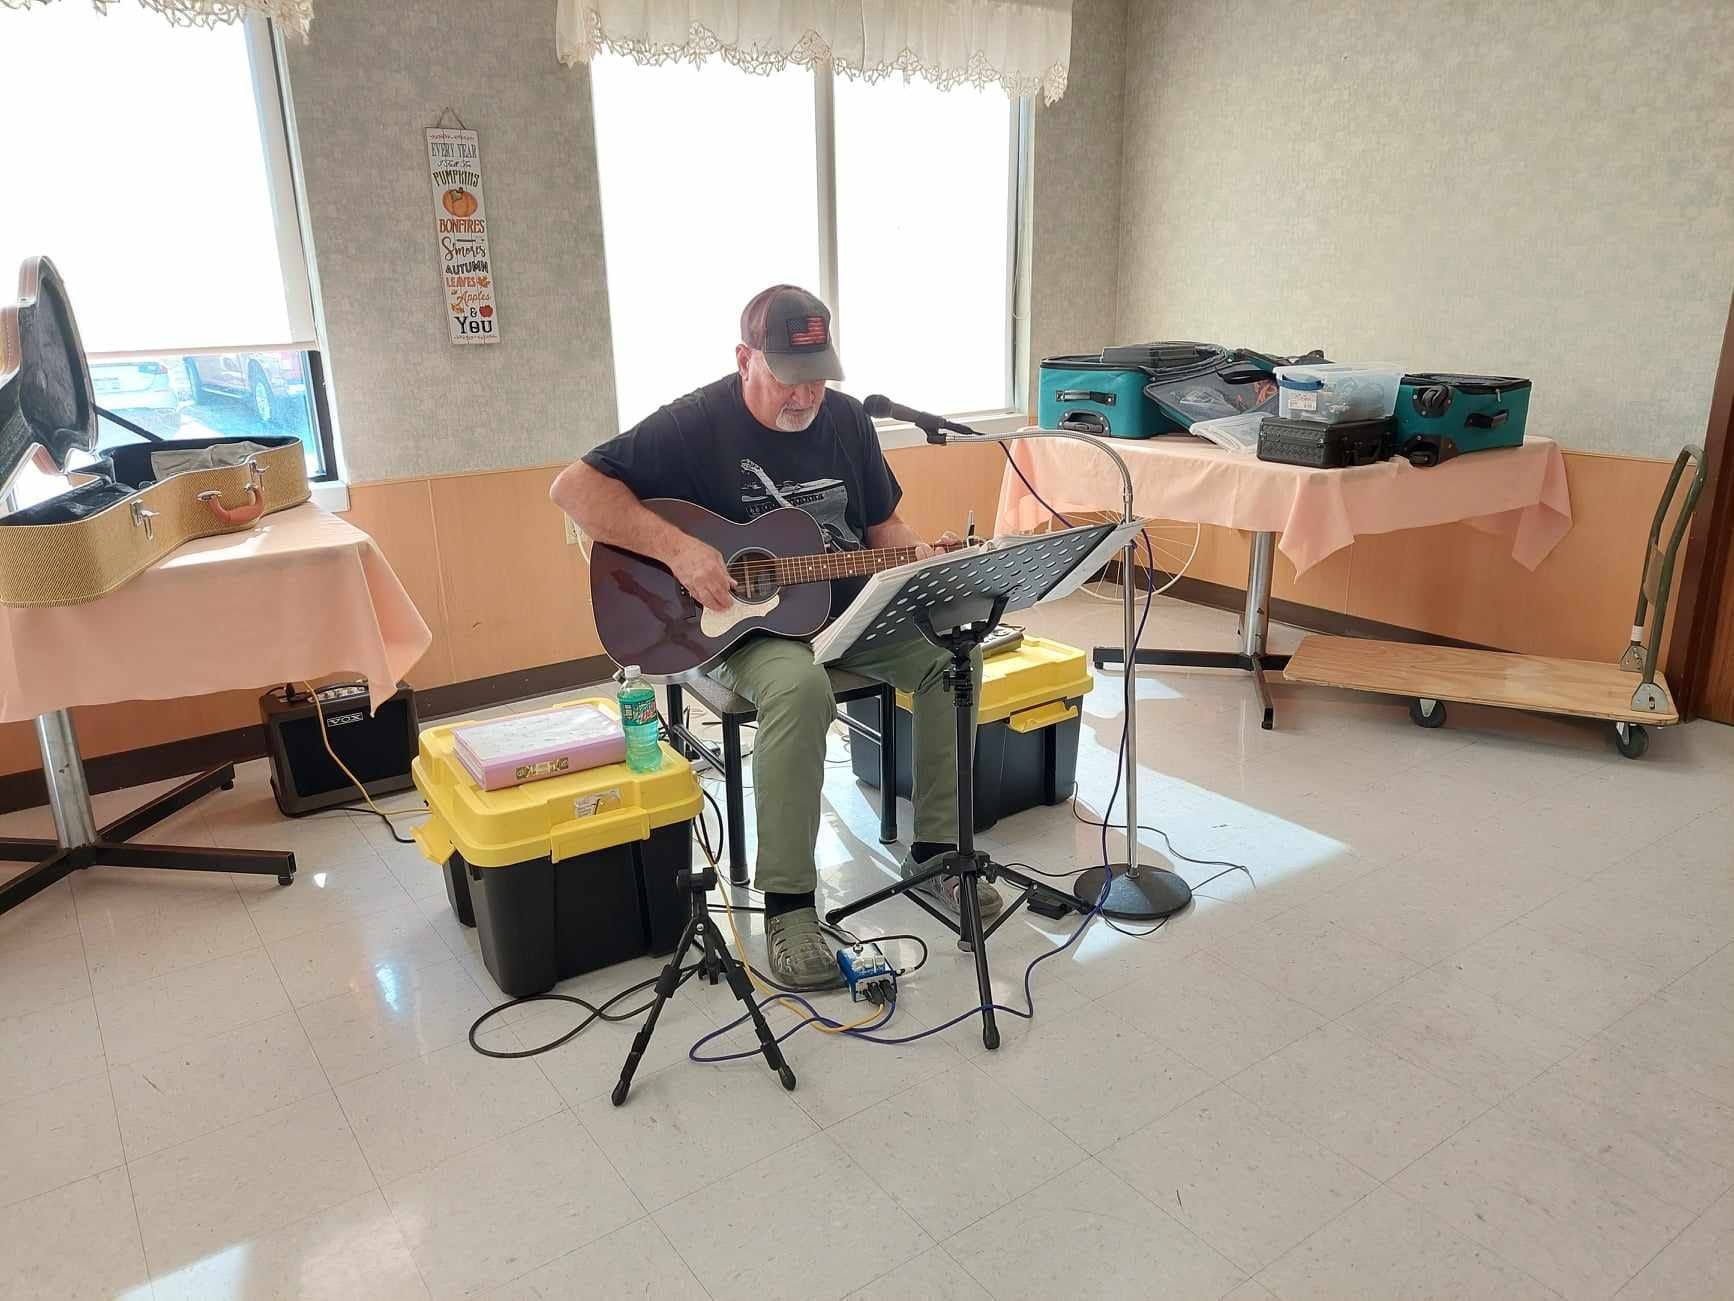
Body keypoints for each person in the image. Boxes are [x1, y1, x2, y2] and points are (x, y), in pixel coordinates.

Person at [551, 284, 998, 990]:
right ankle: (789, 907)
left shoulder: (849, 421)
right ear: (744, 360)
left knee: (954, 658)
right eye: (790, 379)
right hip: (744, 625)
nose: (806, 395)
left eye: (819, 375)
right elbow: (573, 488)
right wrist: (678, 551)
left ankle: (939, 854)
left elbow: (883, 529)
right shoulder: (697, 422)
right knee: (799, 686)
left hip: (850, 607)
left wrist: (922, 556)